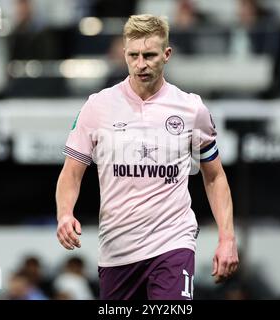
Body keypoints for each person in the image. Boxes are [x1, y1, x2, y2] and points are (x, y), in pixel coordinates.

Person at [56, 14, 239, 300]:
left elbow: (214, 176)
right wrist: (65, 213)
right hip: (117, 250)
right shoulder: (98, 107)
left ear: (167, 55)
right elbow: (71, 172)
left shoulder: (191, 109)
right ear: (124, 54)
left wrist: (227, 238)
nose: (141, 64)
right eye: (133, 55)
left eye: (150, 55)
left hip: (173, 241)